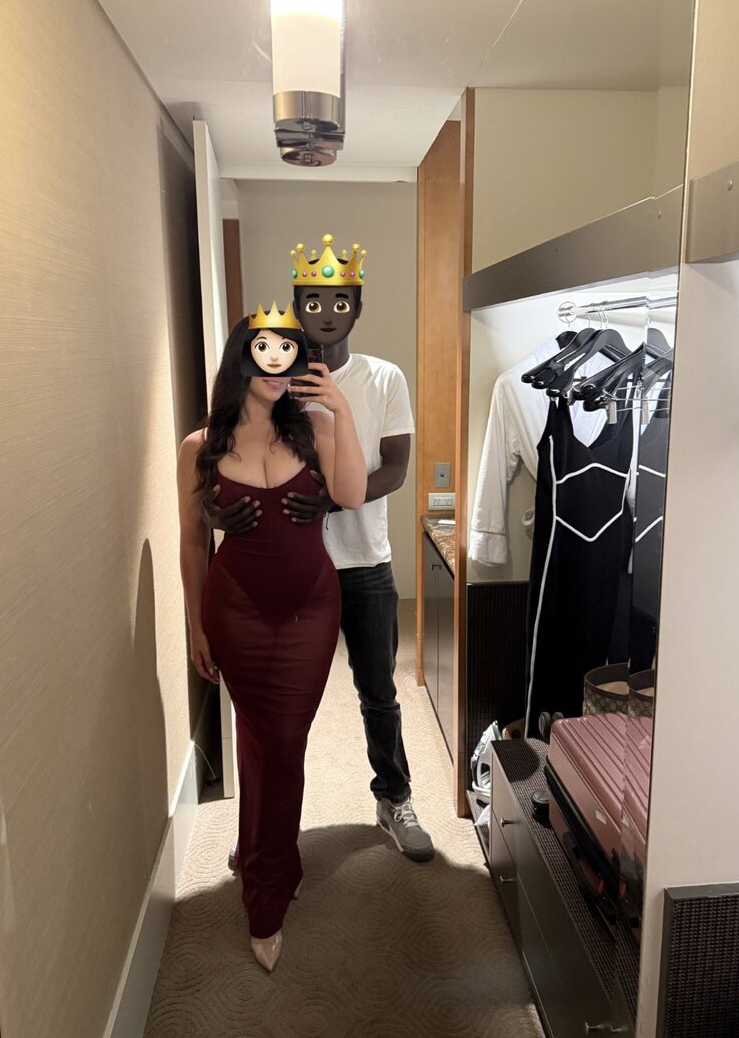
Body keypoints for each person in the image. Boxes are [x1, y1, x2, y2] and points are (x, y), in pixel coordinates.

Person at [204, 235, 435, 862]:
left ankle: (395, 797)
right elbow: (228, 454)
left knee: (378, 689)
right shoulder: (272, 375)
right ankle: (266, 829)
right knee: (271, 711)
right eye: (312, 301)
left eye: (339, 302)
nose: (326, 313)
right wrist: (214, 512)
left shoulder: (382, 378)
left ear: (357, 308)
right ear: (295, 306)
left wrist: (330, 499)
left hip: (362, 562)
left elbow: (396, 469)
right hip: (282, 571)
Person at [177, 305, 366, 972]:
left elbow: (352, 493)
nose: (281, 364)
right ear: (243, 358)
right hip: (237, 614)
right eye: (268, 350)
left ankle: (264, 860)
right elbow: (193, 542)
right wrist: (196, 625)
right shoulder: (200, 446)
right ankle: (267, 887)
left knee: (284, 743)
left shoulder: (315, 428)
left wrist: (341, 407)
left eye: (291, 351)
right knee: (264, 743)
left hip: (312, 610)